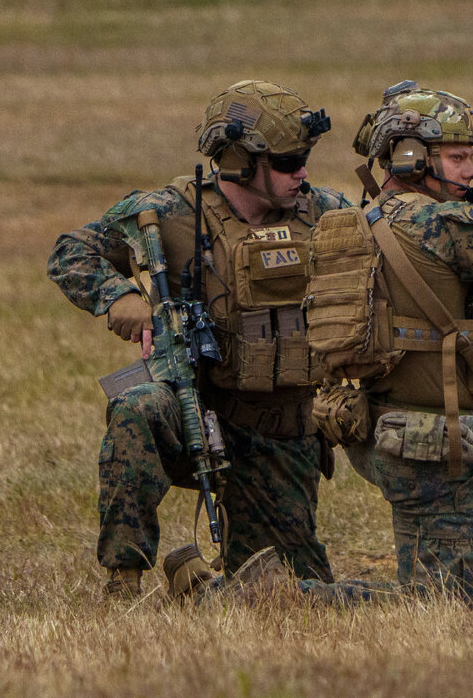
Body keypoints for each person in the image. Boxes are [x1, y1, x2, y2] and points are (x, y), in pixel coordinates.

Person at [47, 79, 349, 600]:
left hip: (284, 437)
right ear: (238, 161)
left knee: (293, 594)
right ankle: (124, 581)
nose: (301, 171)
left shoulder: (327, 214)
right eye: (286, 161)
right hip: (198, 414)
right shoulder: (170, 214)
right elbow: (71, 252)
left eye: (304, 158)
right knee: (138, 408)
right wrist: (120, 299)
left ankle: (193, 583)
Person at [322, 82, 473, 604]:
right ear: (409, 157)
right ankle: (260, 594)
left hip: (376, 426)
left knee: (433, 590)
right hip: (431, 441)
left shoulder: (358, 221)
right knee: (440, 606)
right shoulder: (445, 223)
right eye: (457, 157)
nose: (470, 171)